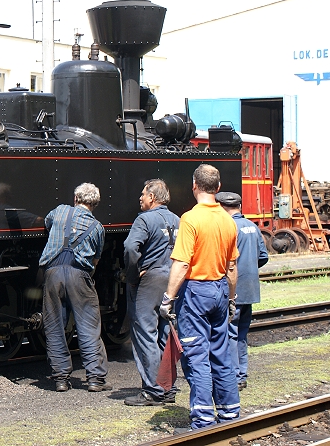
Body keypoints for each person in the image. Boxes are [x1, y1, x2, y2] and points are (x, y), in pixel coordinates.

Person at [159, 164, 240, 429]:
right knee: (221, 354)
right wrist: (231, 299)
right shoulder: (228, 221)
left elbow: (182, 263)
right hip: (219, 290)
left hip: (196, 292)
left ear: (194, 185)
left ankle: (203, 419)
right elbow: (231, 267)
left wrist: (168, 298)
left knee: (196, 357)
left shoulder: (190, 219)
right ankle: (229, 413)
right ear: (217, 187)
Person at [41, 182, 111, 393]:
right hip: (80, 275)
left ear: (75, 199)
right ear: (95, 204)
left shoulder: (61, 211)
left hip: (52, 273)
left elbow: (47, 222)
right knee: (88, 327)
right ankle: (95, 379)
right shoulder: (97, 228)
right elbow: (96, 260)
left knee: (54, 326)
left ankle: (61, 379)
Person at [123, 179, 180, 406]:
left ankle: (153, 391)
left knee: (144, 332)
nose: (140, 198)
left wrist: (133, 273)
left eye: (143, 194)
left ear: (153, 198)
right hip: (172, 280)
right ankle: (169, 388)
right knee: (165, 333)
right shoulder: (177, 219)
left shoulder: (144, 219)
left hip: (150, 279)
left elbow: (130, 247)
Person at [215, 191, 268, 391]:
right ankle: (242, 374)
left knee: (230, 333)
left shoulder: (229, 227)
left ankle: (234, 376)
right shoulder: (253, 227)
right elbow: (263, 257)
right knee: (242, 334)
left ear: (223, 207)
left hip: (233, 289)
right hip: (251, 289)